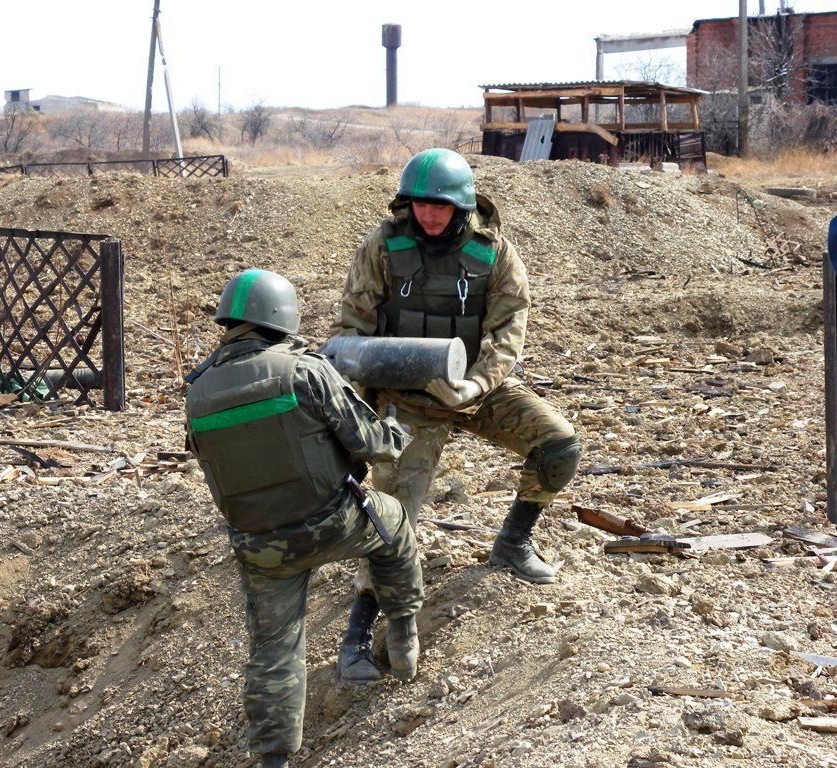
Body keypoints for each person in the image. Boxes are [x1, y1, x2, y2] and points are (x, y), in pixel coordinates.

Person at [331, 148, 581, 681]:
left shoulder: (494, 253)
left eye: (439, 206)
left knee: (559, 444)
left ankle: (513, 543)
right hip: (407, 400)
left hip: (475, 386)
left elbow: (508, 331)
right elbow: (352, 328)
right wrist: (355, 410)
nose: (428, 215)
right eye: (419, 205)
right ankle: (358, 633)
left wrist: (475, 384)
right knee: (392, 517)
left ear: (462, 205)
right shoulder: (383, 245)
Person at [184, 268, 424, 768]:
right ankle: (403, 635)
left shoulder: (197, 390)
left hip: (260, 546)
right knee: (395, 523)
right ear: (282, 317)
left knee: (274, 649)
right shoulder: (304, 370)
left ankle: (274, 760)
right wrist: (397, 427)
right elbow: (372, 445)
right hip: (331, 521)